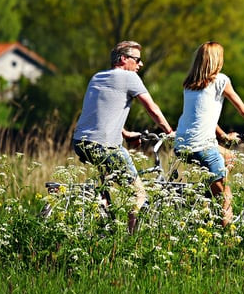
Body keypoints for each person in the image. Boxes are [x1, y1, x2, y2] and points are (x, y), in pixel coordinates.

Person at [174, 41, 244, 226]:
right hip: (202, 146)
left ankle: (208, 201)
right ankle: (227, 241)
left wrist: (223, 135)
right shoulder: (221, 80)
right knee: (226, 197)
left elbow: (201, 115)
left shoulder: (189, 84)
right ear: (217, 60)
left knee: (229, 156)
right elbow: (243, 109)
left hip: (182, 144)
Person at [72, 40, 174, 233]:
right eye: (137, 60)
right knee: (139, 194)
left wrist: (126, 133)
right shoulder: (129, 78)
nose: (140, 64)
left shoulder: (97, 77)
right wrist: (169, 132)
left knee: (105, 188)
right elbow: (152, 108)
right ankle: (130, 240)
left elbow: (102, 113)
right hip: (104, 145)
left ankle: (104, 227)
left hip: (80, 142)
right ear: (123, 59)